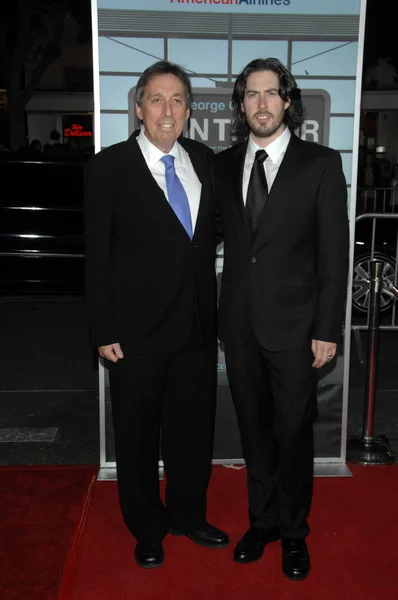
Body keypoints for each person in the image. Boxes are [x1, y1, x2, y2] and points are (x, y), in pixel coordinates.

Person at [84, 60, 228, 569]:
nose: (168, 111)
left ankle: (189, 514)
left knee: (193, 433)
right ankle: (147, 527)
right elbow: (96, 256)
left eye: (178, 101)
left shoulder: (207, 162)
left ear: (189, 110)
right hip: (135, 334)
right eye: (157, 100)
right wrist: (103, 328)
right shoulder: (108, 167)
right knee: (138, 436)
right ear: (139, 107)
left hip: (195, 328)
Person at [211, 58, 349, 581]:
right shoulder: (223, 166)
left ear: (288, 102)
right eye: (251, 95)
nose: (262, 104)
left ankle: (294, 533)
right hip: (241, 326)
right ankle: (262, 523)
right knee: (254, 431)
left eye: (272, 93)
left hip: (297, 330)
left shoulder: (320, 163)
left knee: (292, 432)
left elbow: (333, 256)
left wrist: (326, 330)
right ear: (241, 105)